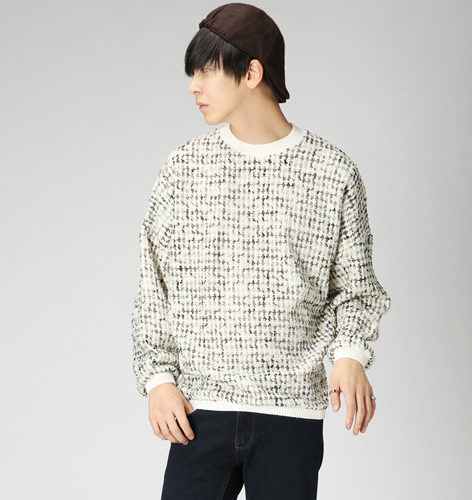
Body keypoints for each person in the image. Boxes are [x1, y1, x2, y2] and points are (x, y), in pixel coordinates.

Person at [131, 3, 391, 499]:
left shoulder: (332, 173)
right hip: (199, 411)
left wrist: (350, 353)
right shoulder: (184, 169)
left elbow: (356, 288)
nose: (193, 87)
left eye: (205, 71)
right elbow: (153, 286)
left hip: (291, 416)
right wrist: (159, 379)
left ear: (251, 73)